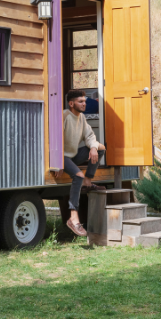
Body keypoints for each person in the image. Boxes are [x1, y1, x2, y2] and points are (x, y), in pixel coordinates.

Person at [57, 89, 106, 236]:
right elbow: (54, 140)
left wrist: (92, 148)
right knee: (77, 175)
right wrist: (57, 162)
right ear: (71, 103)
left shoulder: (82, 118)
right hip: (62, 156)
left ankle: (88, 181)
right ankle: (73, 218)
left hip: (73, 156)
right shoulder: (64, 116)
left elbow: (90, 135)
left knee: (100, 148)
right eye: (81, 101)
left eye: (85, 101)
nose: (84, 104)